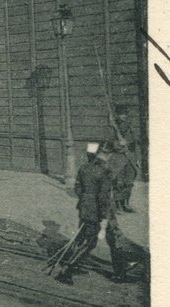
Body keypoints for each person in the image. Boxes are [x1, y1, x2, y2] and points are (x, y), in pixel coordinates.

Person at [55, 142, 124, 285]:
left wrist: (87, 200)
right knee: (102, 241)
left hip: (85, 209)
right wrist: (104, 218)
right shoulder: (106, 172)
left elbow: (78, 189)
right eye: (110, 154)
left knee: (89, 241)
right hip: (101, 212)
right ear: (108, 154)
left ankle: (121, 271)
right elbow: (104, 198)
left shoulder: (84, 168)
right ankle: (66, 271)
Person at [110, 106, 139, 213]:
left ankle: (126, 203)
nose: (124, 116)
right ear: (117, 115)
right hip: (119, 158)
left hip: (130, 157)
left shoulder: (129, 126)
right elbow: (110, 142)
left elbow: (134, 140)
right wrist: (119, 145)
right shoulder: (113, 127)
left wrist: (131, 144)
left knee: (129, 181)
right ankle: (118, 205)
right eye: (122, 114)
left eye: (125, 114)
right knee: (119, 182)